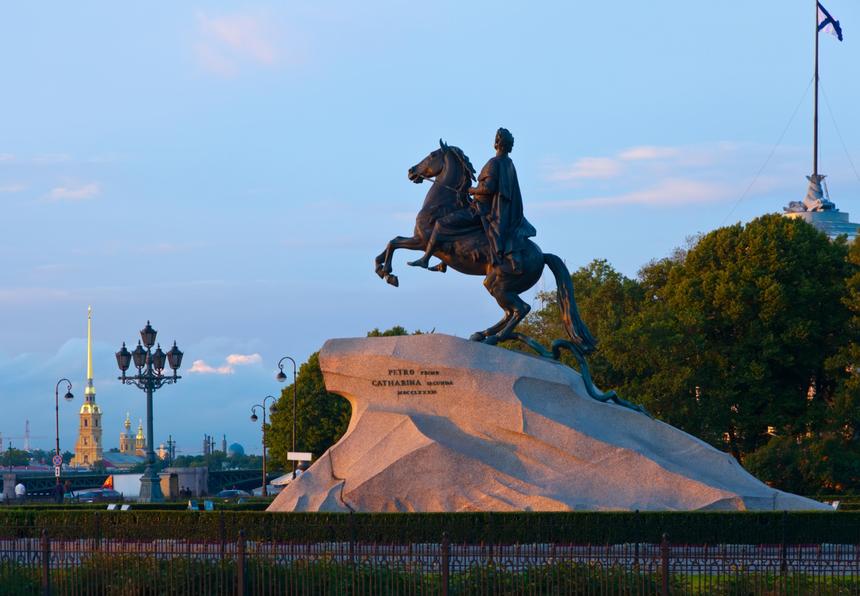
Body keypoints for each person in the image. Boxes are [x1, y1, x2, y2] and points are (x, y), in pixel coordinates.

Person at [408, 128, 535, 270]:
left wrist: (471, 190)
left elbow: (489, 188)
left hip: (480, 209)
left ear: (497, 143)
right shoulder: (508, 164)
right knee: (456, 224)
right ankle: (444, 262)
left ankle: (425, 259)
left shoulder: (494, 163)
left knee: (442, 224)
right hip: (494, 210)